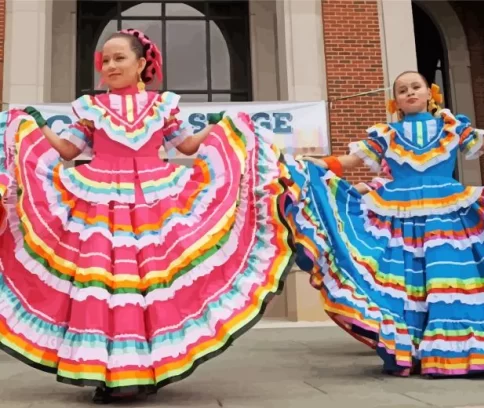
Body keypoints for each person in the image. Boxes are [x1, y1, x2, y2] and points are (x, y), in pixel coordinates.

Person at [0, 29, 295, 403]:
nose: (110, 66)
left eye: (119, 58)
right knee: (103, 285)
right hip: (99, 199)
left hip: (155, 200)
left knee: (150, 286)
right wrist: (35, 124)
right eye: (105, 60)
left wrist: (221, 126)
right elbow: (68, 151)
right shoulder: (90, 107)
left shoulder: (162, 105)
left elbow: (185, 146)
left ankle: (147, 366)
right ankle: (105, 373)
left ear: (141, 64)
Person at [285, 70, 484, 377]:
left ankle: (459, 351)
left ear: (430, 92)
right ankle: (411, 350)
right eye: (402, 90)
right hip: (398, 214)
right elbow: (350, 162)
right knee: (407, 283)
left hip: (446, 211)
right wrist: (314, 164)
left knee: (448, 279)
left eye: (415, 87)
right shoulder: (386, 134)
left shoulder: (451, 126)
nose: (410, 93)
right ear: (396, 101)